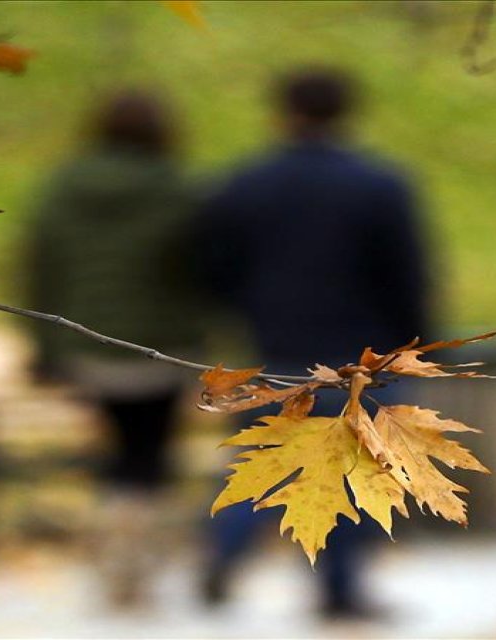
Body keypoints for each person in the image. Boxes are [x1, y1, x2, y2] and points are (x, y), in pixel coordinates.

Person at [190, 67, 431, 619]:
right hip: (356, 351)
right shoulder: (381, 185)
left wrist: (244, 307)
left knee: (265, 457)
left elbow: (212, 267)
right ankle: (338, 589)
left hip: (271, 345)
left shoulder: (245, 183)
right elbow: (407, 274)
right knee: (347, 467)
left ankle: (226, 548)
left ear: (284, 110)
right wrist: (411, 342)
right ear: (346, 113)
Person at [25, 90, 204, 609]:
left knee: (115, 452)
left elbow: (43, 267)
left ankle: (113, 549)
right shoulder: (179, 189)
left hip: (85, 345)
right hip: (162, 347)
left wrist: (46, 346)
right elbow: (199, 270)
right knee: (149, 453)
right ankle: (138, 560)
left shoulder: (63, 188)